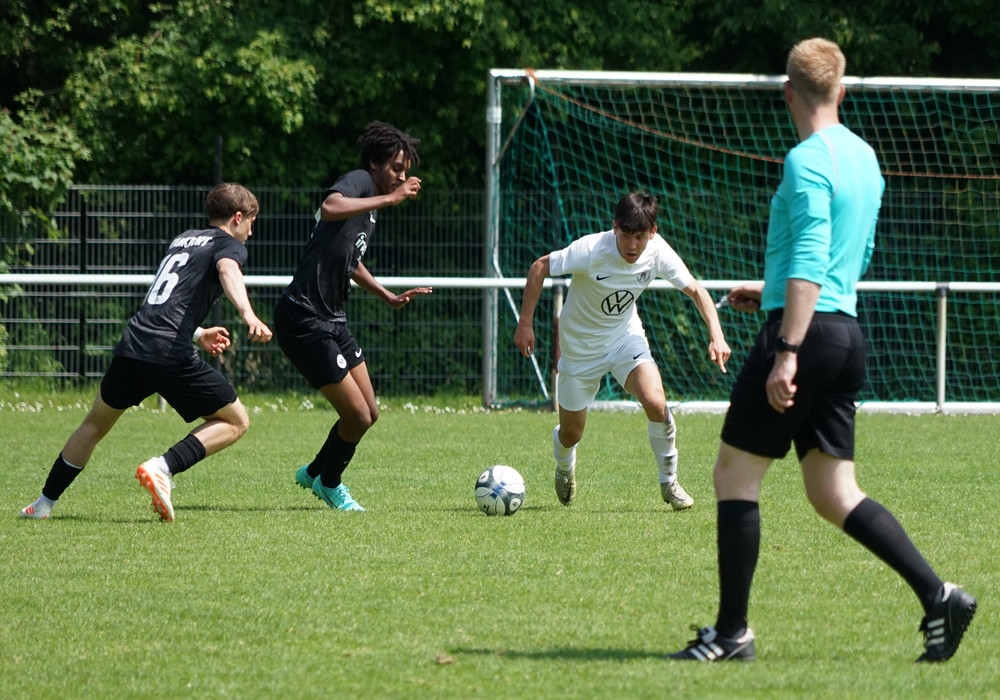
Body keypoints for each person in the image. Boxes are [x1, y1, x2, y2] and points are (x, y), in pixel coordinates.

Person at [666, 38, 976, 663]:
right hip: (844, 333)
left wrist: (786, 347)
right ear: (842, 90)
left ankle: (732, 634)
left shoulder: (806, 159)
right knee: (833, 492)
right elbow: (851, 257)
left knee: (733, 476)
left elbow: (812, 256)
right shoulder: (865, 158)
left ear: (788, 92)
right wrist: (772, 293)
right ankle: (939, 595)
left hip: (805, 337)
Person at [19, 182, 273, 522]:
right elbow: (228, 270)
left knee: (93, 425)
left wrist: (198, 333)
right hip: (167, 351)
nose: (251, 232)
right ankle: (162, 467)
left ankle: (43, 503)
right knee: (236, 420)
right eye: (252, 223)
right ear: (238, 217)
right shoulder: (228, 245)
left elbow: (164, 300)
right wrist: (248, 314)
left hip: (134, 344)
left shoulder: (184, 239)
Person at [514, 191, 731, 510]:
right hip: (579, 350)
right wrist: (525, 324)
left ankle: (669, 481)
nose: (632, 245)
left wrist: (717, 336)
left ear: (652, 232)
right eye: (626, 235)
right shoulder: (591, 250)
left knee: (655, 402)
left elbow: (696, 290)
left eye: (640, 237)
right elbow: (539, 267)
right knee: (571, 434)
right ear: (614, 226)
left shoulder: (657, 252)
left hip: (624, 338)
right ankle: (565, 466)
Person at [275, 121, 432, 512]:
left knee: (370, 413)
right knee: (357, 416)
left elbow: (350, 259)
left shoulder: (370, 207)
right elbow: (330, 207)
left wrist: (386, 295)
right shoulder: (360, 181)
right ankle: (330, 484)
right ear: (375, 163)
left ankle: (315, 471)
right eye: (396, 168)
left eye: (406, 171)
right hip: (304, 318)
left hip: (332, 319)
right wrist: (390, 199)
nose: (402, 177)